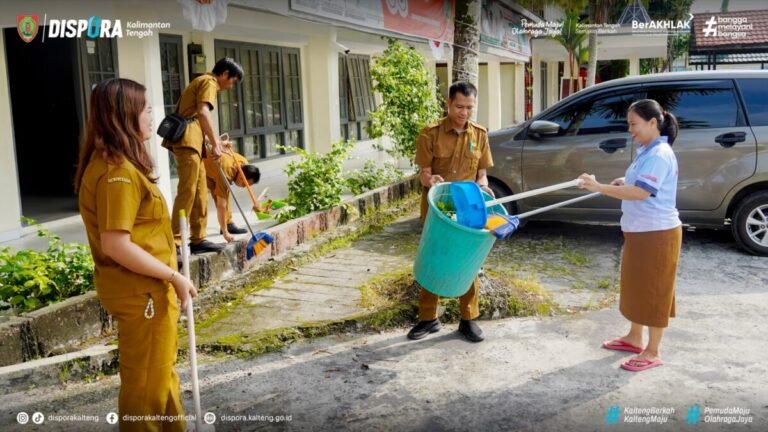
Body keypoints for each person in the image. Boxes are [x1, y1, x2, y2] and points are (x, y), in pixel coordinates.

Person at [75, 78, 197, 431]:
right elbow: (116, 244)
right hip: (142, 292)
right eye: (145, 108)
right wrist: (174, 276)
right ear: (124, 115)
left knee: (160, 375)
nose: (151, 115)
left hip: (147, 289)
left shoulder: (120, 165)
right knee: (146, 386)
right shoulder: (117, 174)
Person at [578, 99, 681, 372]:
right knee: (637, 285)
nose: (630, 129)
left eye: (634, 124)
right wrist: (625, 182)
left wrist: (599, 187)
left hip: (657, 233)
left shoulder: (659, 154)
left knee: (655, 290)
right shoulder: (647, 150)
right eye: (629, 124)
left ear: (652, 123)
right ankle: (635, 338)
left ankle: (653, 350)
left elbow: (641, 192)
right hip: (641, 230)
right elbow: (640, 184)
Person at [408, 81, 494, 343]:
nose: (464, 112)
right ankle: (428, 318)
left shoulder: (479, 134)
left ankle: (468, 320)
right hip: (438, 208)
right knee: (433, 259)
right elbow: (423, 174)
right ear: (448, 103)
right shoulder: (430, 134)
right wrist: (431, 180)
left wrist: (483, 186)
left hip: (467, 208)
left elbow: (482, 174)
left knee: (468, 261)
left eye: (469, 107)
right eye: (459, 106)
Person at [162, 57, 243, 254]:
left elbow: (196, 118)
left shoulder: (202, 81)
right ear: (224, 74)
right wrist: (215, 145)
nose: (231, 86)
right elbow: (203, 112)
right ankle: (175, 241)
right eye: (232, 81)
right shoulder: (209, 82)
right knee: (187, 191)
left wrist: (215, 143)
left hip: (194, 143)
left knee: (199, 194)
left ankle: (198, 240)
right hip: (188, 143)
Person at [203, 145, 261, 242]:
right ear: (241, 177)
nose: (244, 187)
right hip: (204, 166)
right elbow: (221, 205)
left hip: (216, 166)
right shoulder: (227, 172)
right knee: (220, 199)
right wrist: (225, 233)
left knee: (225, 193)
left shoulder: (244, 163)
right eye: (244, 184)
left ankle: (228, 223)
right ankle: (221, 229)